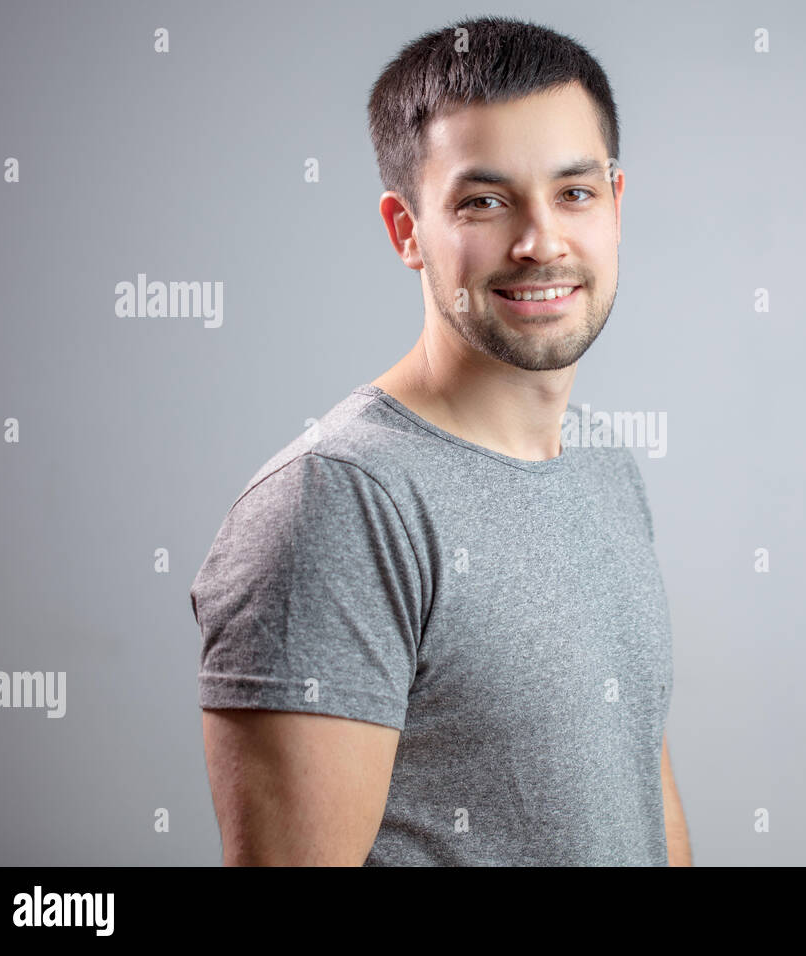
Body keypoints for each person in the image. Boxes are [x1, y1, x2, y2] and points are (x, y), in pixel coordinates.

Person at [188, 15, 689, 866]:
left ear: (615, 203)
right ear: (406, 231)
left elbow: (644, 802)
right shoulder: (336, 507)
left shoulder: (603, 462)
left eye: (574, 192)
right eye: (484, 202)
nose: (541, 242)